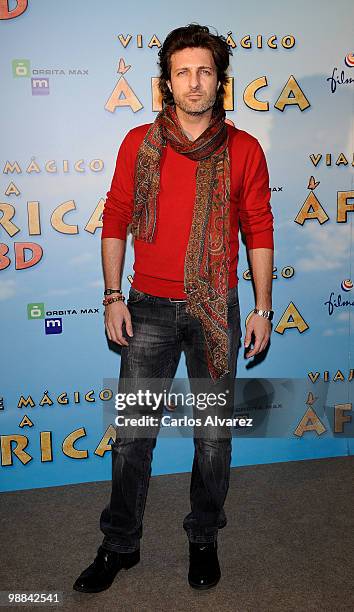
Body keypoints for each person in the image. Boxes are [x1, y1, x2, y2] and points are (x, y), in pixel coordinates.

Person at [73, 23, 274, 594]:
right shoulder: (139, 143)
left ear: (220, 81)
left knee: (214, 436)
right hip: (148, 309)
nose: (194, 82)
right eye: (183, 71)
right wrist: (112, 295)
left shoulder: (245, 150)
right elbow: (115, 217)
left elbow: (258, 229)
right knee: (134, 435)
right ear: (167, 83)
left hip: (218, 309)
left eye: (205, 71)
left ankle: (204, 538)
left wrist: (261, 307)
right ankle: (119, 545)